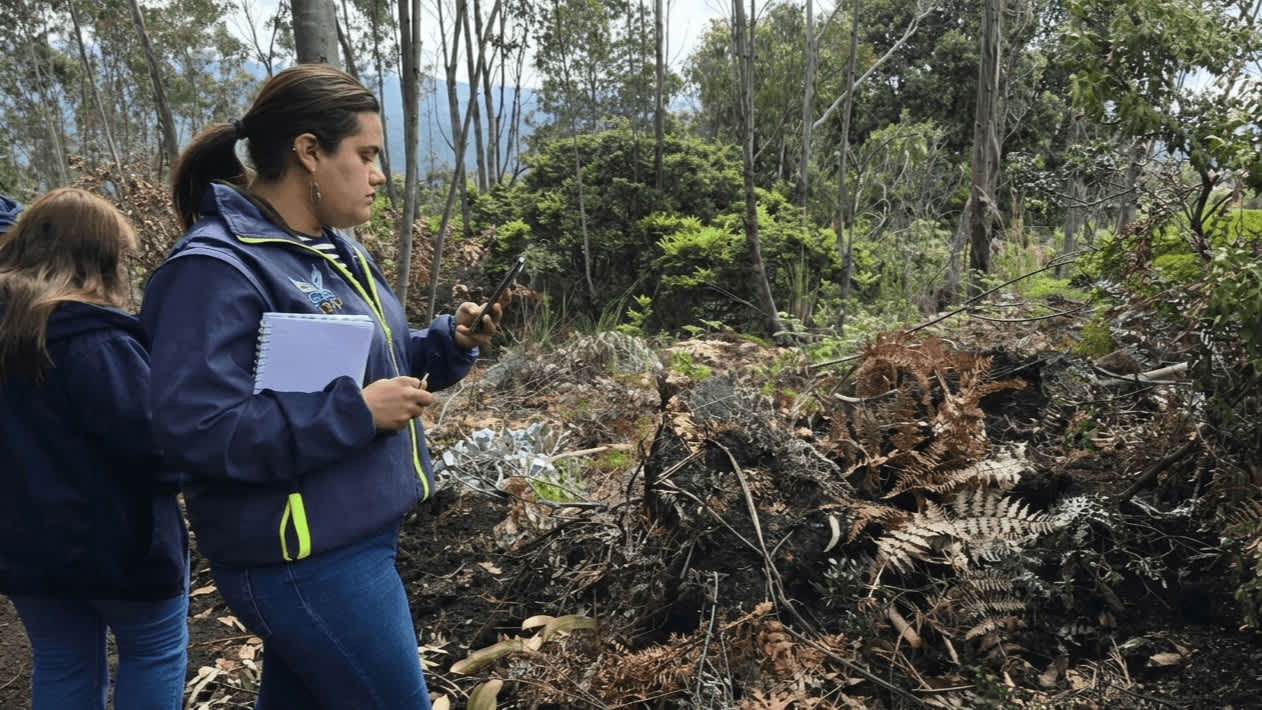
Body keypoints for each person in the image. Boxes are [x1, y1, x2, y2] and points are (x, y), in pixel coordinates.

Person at [142, 63, 502, 710]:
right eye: (365, 155)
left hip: (351, 532)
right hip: (302, 559)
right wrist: (358, 415)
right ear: (309, 151)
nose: (380, 174)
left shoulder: (336, 249)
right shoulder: (213, 271)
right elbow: (197, 431)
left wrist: (448, 345)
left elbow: (377, 360)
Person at [0, 188, 189, 710]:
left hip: (25, 545)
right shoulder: (96, 341)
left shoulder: (14, 330)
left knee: (61, 658)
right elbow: (156, 448)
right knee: (154, 651)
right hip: (122, 545)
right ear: (96, 259)